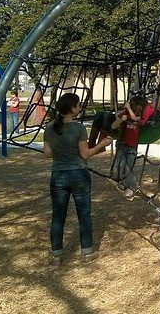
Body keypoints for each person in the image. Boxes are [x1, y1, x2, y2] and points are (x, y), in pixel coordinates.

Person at [43, 93, 112, 265]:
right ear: (72, 108)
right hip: (78, 174)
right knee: (84, 213)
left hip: (58, 175)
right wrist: (102, 145)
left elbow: (47, 153)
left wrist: (62, 151)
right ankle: (87, 252)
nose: (80, 107)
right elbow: (85, 154)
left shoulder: (49, 127)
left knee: (58, 215)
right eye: (78, 104)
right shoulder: (79, 128)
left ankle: (56, 255)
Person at [110, 98, 144, 200]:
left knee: (129, 167)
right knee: (119, 165)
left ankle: (132, 187)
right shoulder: (124, 114)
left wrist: (129, 109)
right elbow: (113, 126)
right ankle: (121, 182)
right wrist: (120, 119)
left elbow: (136, 119)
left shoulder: (138, 114)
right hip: (122, 144)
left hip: (132, 146)